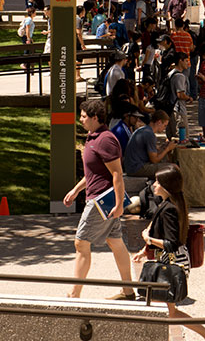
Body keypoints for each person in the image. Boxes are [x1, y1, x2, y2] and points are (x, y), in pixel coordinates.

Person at [62, 100, 134, 299]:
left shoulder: (105, 140)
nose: (81, 120)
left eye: (84, 116)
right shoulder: (92, 137)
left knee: (81, 243)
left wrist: (119, 204)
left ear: (95, 118)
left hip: (101, 201)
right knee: (116, 242)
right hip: (100, 199)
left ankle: (74, 293)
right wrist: (76, 190)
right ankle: (128, 291)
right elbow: (93, 172)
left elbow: (117, 174)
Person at [132, 165, 205, 340]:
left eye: (158, 182)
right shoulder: (171, 204)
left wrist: (148, 239)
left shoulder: (169, 209)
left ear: (167, 186)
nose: (154, 185)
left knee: (167, 311)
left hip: (172, 263)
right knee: (168, 311)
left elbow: (171, 243)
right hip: (172, 261)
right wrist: (145, 250)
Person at [123, 110, 177, 177]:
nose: (164, 129)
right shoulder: (149, 134)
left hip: (132, 166)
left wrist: (163, 147)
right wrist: (168, 149)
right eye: (164, 126)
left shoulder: (144, 129)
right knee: (174, 168)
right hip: (136, 168)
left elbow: (153, 152)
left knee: (165, 160)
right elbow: (154, 160)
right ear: (159, 122)